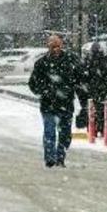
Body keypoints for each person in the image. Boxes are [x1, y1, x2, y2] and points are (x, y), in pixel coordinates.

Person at [29, 35, 81, 168]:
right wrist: (45, 91)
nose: (56, 49)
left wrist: (82, 102)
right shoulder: (42, 63)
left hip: (66, 104)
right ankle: (50, 158)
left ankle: (60, 157)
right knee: (49, 131)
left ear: (62, 46)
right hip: (48, 105)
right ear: (49, 47)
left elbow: (79, 81)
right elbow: (33, 84)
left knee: (65, 134)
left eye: (58, 46)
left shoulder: (70, 61)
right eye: (53, 47)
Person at [78, 42, 107, 137]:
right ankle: (99, 128)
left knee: (95, 110)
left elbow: (83, 78)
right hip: (102, 90)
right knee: (101, 111)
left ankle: (95, 128)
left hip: (95, 91)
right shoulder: (105, 61)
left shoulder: (90, 62)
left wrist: (83, 91)